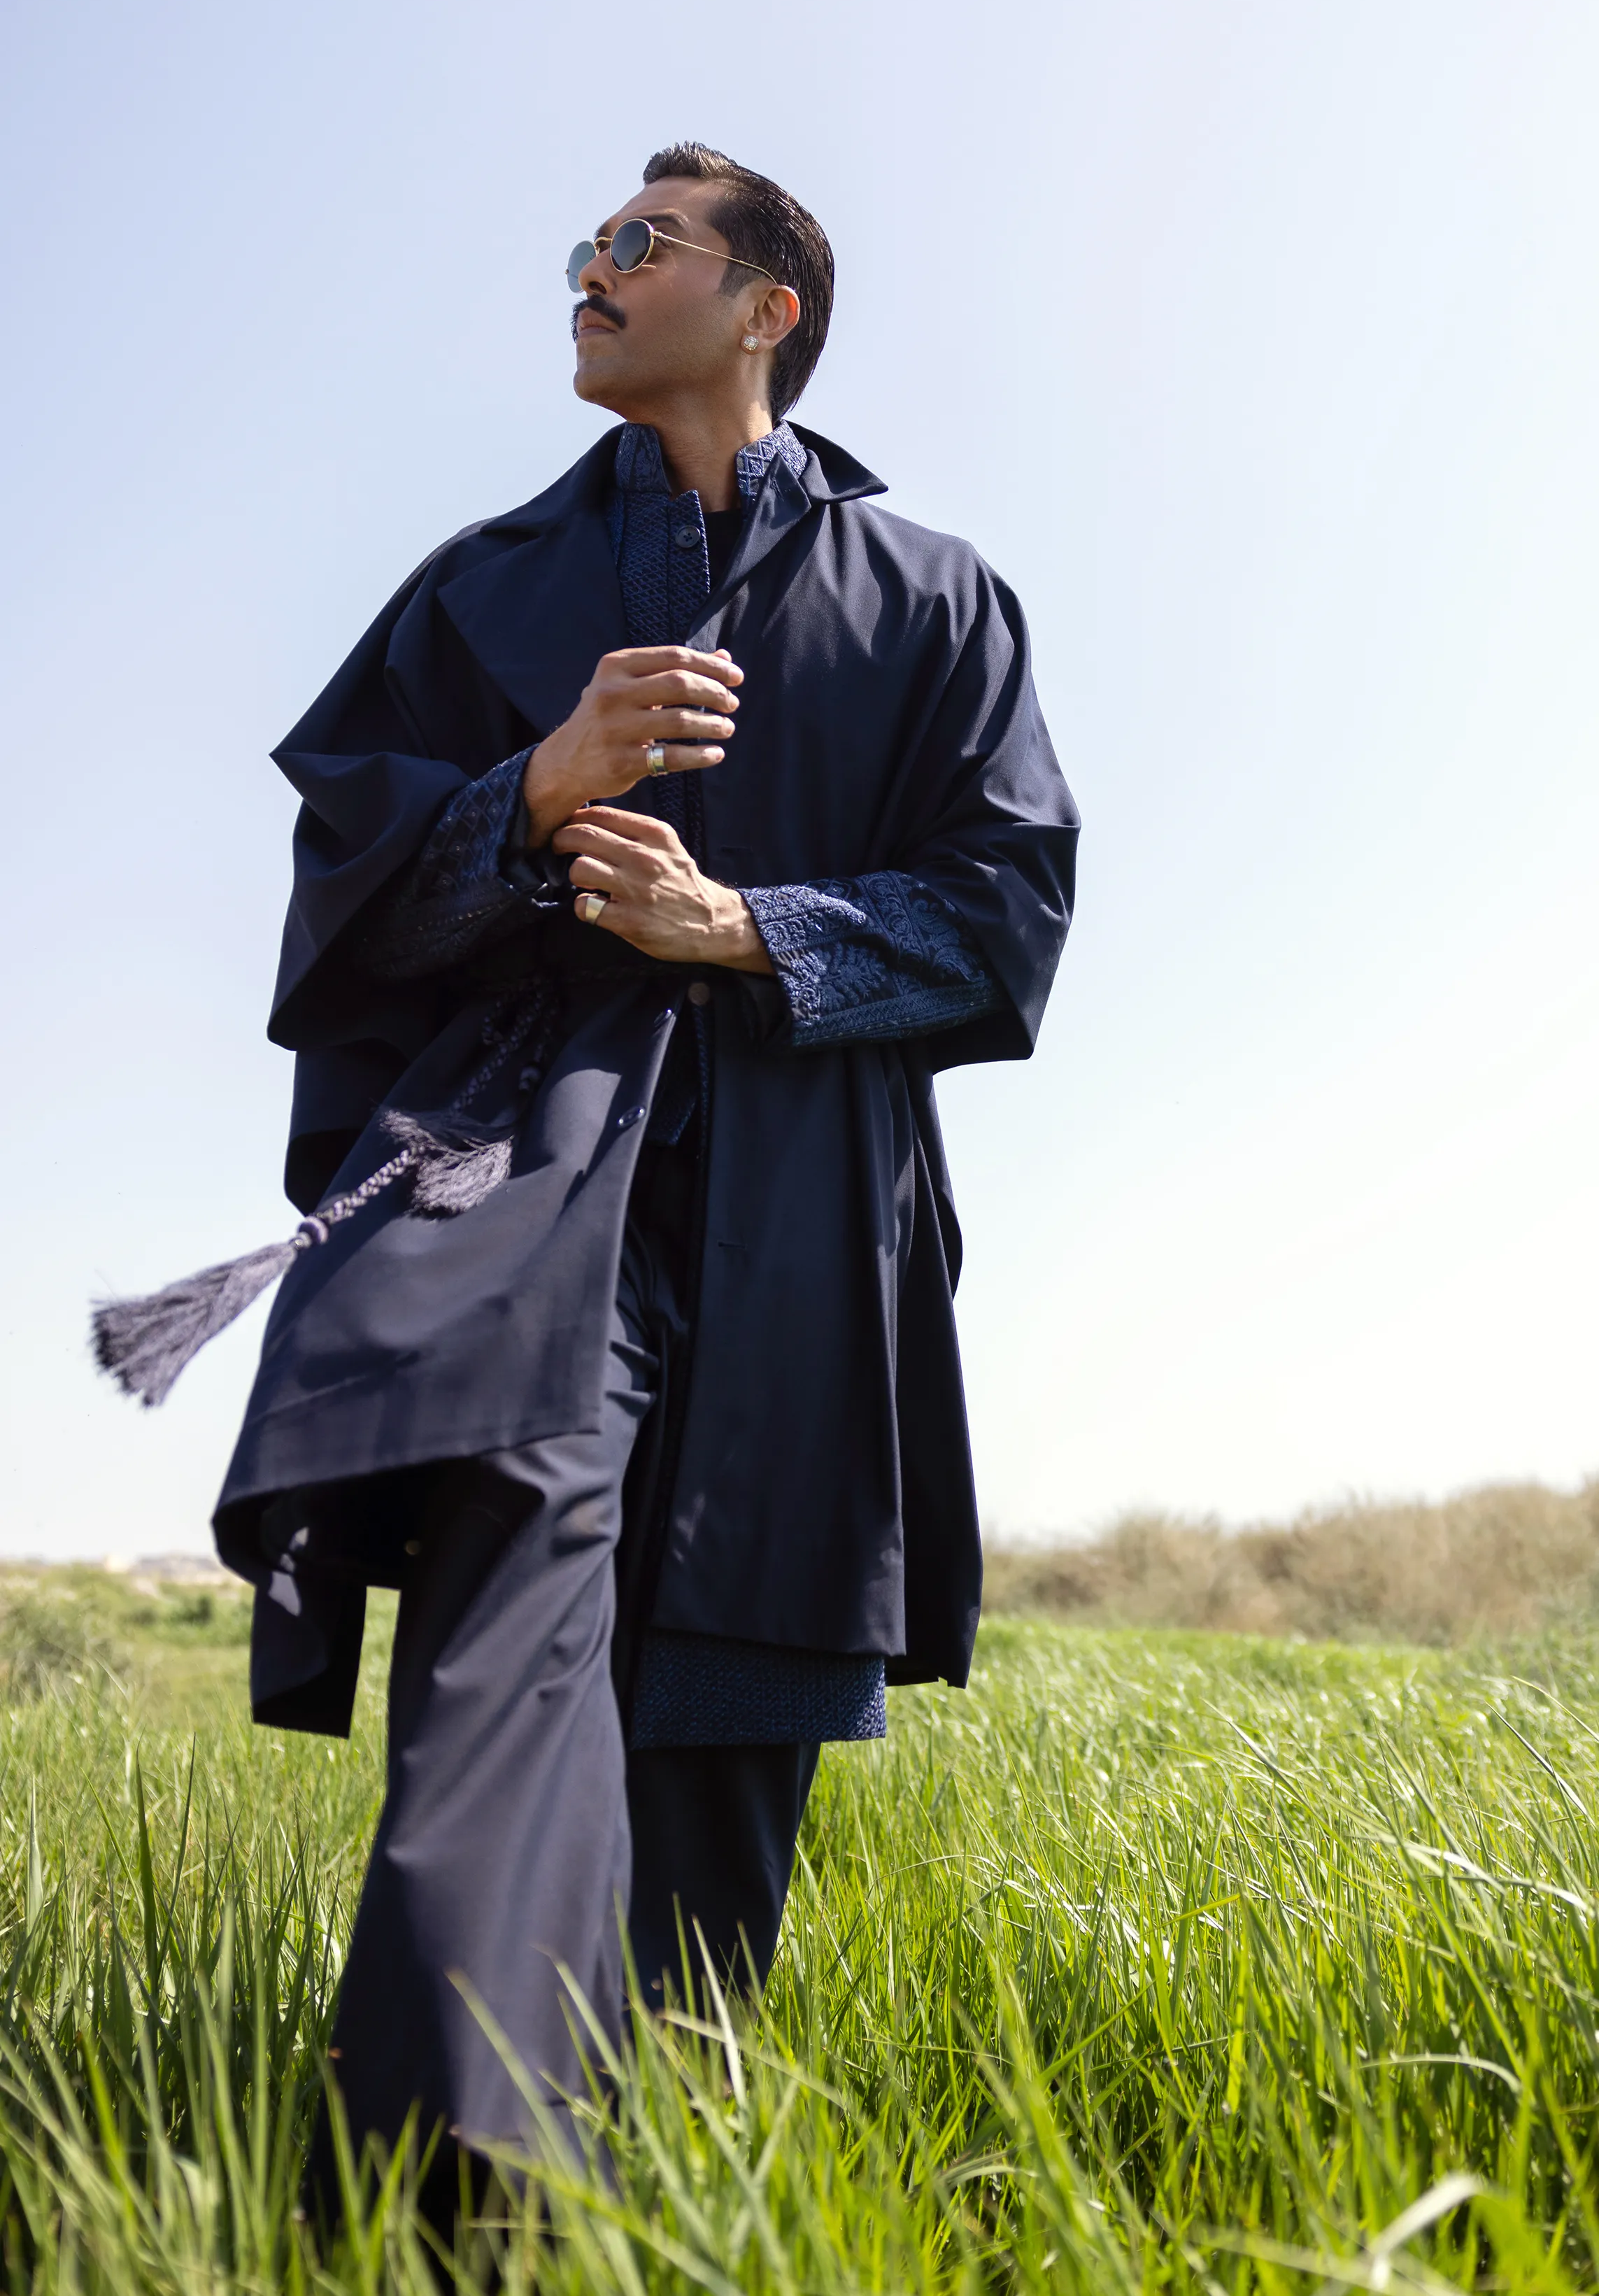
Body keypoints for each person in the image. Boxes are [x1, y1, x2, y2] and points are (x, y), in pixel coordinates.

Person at [171, 143, 1077, 2187]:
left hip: (800, 1222)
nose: (588, 266)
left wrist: (740, 928)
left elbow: (1009, 916)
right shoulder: (482, 588)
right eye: (587, 241)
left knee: (730, 1727)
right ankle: (435, 2224)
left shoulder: (931, 598)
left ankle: (655, 2211)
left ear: (766, 307)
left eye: (639, 242)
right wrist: (528, 793)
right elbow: (341, 906)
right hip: (523, 1195)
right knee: (498, 1694)